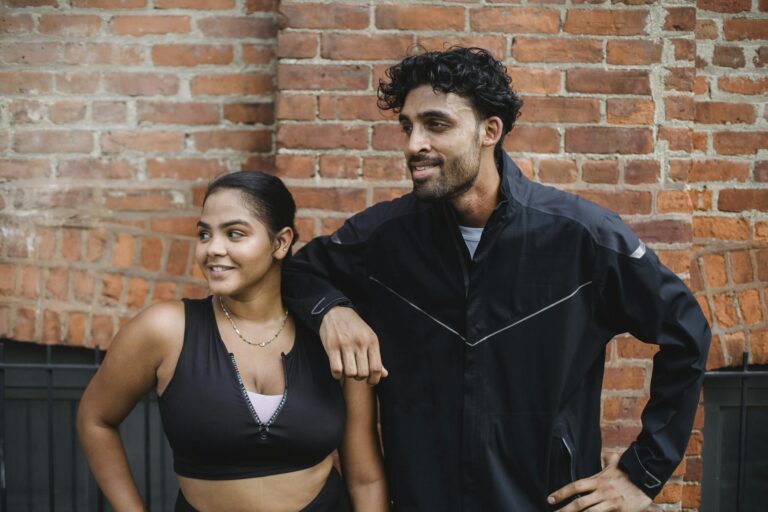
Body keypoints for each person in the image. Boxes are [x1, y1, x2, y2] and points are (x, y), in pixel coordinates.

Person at [282, 47, 711, 511]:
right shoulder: (383, 239)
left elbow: (686, 332)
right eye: (408, 126)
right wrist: (333, 310)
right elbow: (296, 273)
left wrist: (641, 474)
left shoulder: (581, 237)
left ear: (490, 131)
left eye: (436, 124)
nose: (413, 144)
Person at [77, 171, 388, 512]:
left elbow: (365, 478)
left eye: (235, 234)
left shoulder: (334, 338)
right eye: (204, 234)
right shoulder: (165, 329)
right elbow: (95, 420)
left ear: (280, 242)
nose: (213, 249)